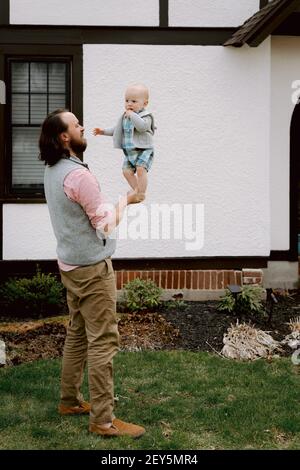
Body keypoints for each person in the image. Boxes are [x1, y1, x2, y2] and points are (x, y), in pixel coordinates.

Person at [39, 108, 145, 438]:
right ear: (64, 137)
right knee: (103, 342)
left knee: (79, 333)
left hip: (70, 265)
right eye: (76, 124)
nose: (83, 126)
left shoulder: (53, 169)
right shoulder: (79, 176)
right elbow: (105, 223)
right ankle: (103, 420)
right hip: (91, 270)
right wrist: (128, 200)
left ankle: (69, 400)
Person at [93, 83, 155, 203]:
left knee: (141, 169)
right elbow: (117, 130)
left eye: (134, 101)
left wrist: (132, 115)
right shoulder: (125, 117)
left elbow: (142, 127)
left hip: (143, 150)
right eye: (127, 100)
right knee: (126, 172)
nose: (129, 104)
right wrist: (103, 131)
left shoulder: (146, 116)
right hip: (130, 153)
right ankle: (136, 190)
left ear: (145, 103)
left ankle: (141, 193)